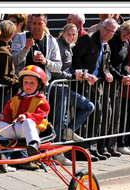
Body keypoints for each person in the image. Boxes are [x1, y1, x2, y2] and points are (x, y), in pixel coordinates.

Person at [72, 17, 117, 162]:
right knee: (85, 118)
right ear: (100, 27)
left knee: (97, 117)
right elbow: (75, 59)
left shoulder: (107, 46)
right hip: (82, 85)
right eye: (107, 29)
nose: (108, 33)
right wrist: (85, 74)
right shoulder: (88, 39)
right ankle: (82, 150)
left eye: (112, 32)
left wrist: (107, 74)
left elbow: (105, 66)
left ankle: (92, 148)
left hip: (97, 87)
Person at [49, 23, 95, 166]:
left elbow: (71, 67)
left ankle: (68, 132)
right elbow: (56, 72)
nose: (71, 37)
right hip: (57, 87)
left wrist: (84, 74)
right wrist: (74, 76)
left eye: (73, 34)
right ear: (63, 33)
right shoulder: (59, 46)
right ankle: (57, 153)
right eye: (68, 34)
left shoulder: (69, 47)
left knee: (88, 106)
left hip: (64, 88)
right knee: (58, 121)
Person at [105, 19, 130, 156]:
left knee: (117, 115)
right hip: (109, 80)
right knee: (108, 114)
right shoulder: (113, 40)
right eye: (127, 31)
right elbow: (108, 63)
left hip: (118, 82)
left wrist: (128, 75)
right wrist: (120, 77)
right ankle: (104, 146)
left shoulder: (126, 43)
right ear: (122, 28)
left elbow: (125, 62)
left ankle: (115, 146)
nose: (128, 35)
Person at [11, 14, 62, 82]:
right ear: (30, 23)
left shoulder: (51, 41)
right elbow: (14, 61)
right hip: (22, 84)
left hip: (42, 85)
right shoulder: (20, 37)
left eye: (40, 24)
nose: (36, 26)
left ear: (45, 24)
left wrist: (45, 62)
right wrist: (25, 49)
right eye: (34, 23)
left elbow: (58, 67)